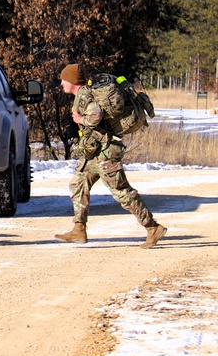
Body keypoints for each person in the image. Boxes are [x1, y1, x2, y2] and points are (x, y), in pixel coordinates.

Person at [54, 63, 166, 247]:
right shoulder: (84, 94)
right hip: (95, 152)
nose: (61, 84)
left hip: (106, 152)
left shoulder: (85, 95)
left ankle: (152, 227)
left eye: (63, 80)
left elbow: (95, 115)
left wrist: (80, 120)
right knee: (78, 183)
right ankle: (79, 229)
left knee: (122, 192)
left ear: (72, 81)